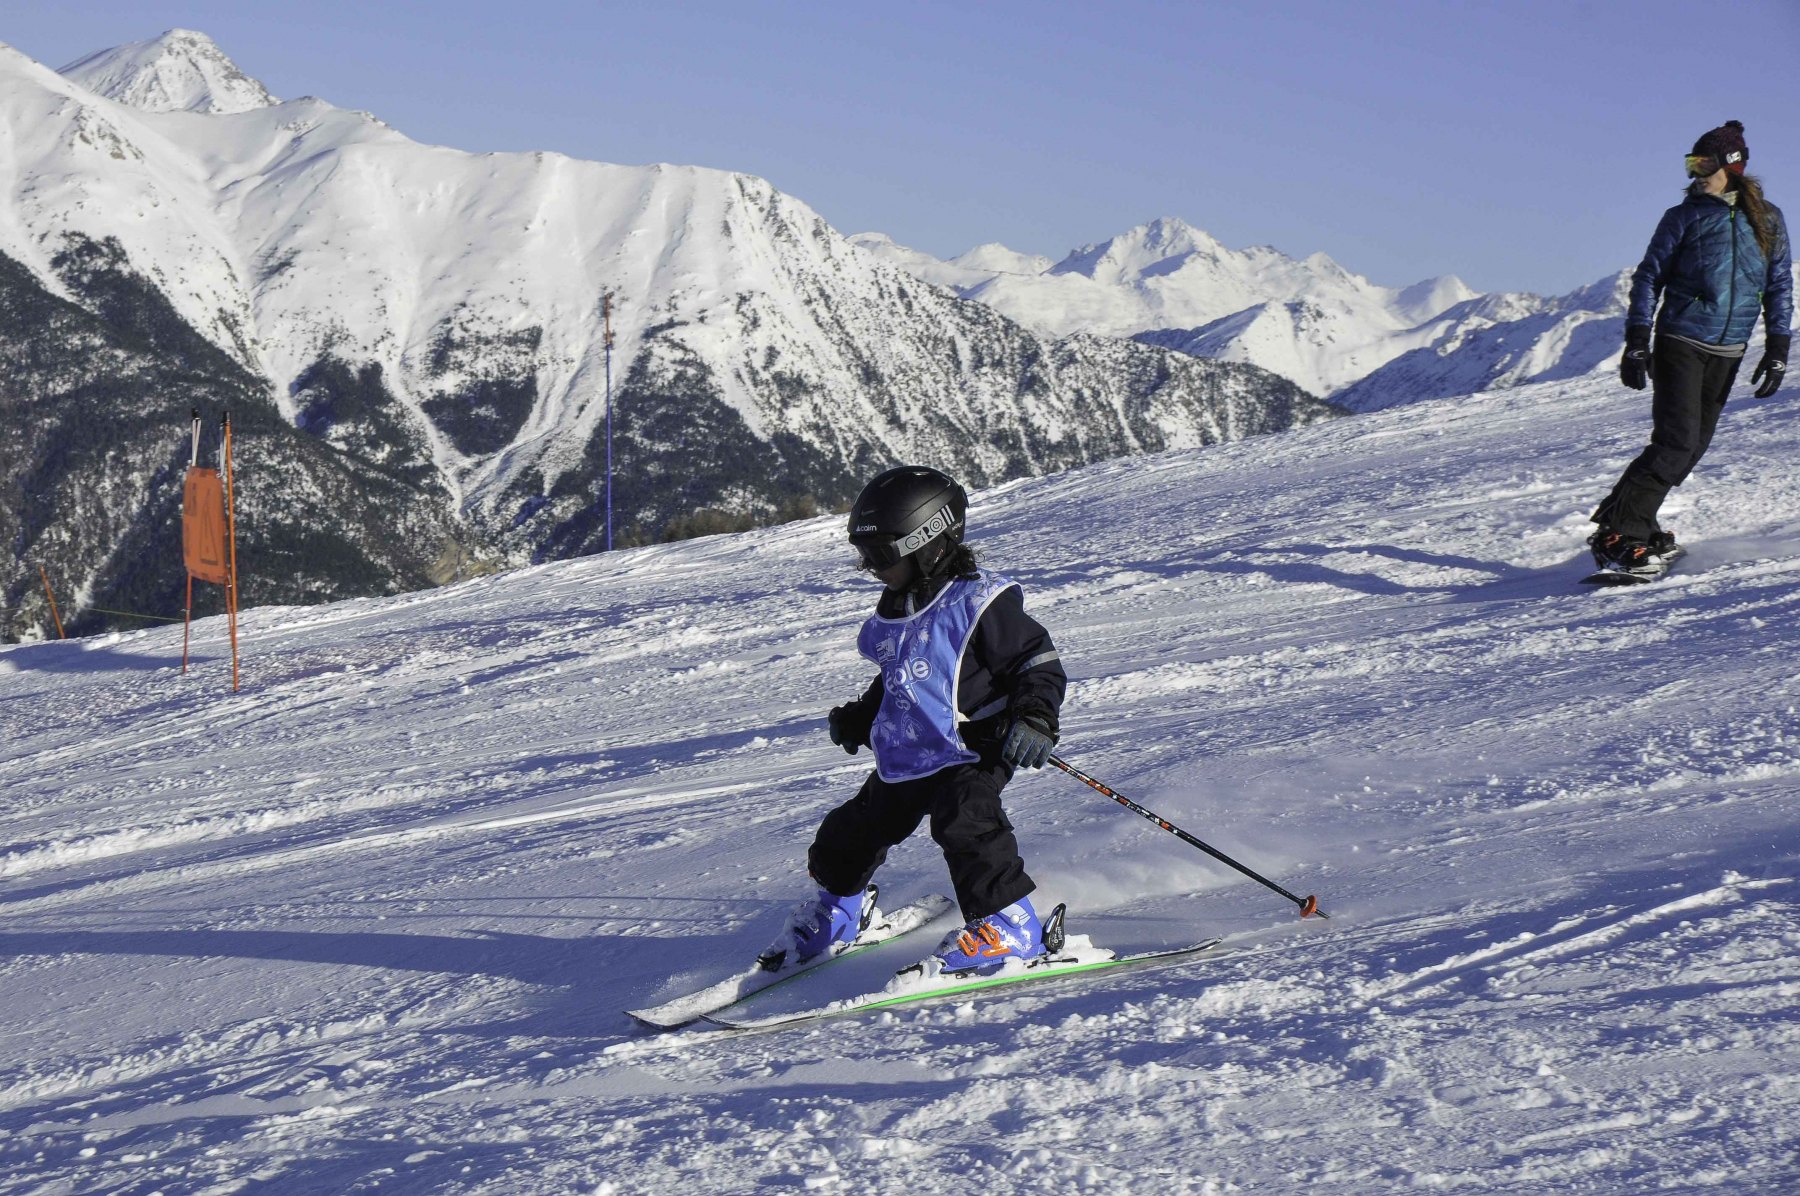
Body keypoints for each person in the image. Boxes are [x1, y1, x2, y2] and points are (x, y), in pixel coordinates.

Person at [763, 465, 1068, 975]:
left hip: (974, 746)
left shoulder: (979, 603)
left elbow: (1036, 663)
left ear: (929, 542)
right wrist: (860, 717)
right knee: (851, 830)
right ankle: (841, 911)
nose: (872, 568)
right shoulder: (899, 605)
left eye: (882, 555)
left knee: (965, 821)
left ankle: (1011, 926)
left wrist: (1035, 717)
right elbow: (899, 677)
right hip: (911, 749)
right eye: (865, 556)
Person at [1590, 120, 1792, 571]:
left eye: (1704, 164)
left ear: (1731, 167)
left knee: (1693, 445)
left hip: (1730, 348)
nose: (1695, 174)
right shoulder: (1683, 216)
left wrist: (1778, 347)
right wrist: (1638, 340)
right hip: (1680, 339)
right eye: (1691, 164)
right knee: (1676, 442)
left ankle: (1629, 522)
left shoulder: (1769, 218)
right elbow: (1649, 277)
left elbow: (1779, 284)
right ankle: (1620, 534)